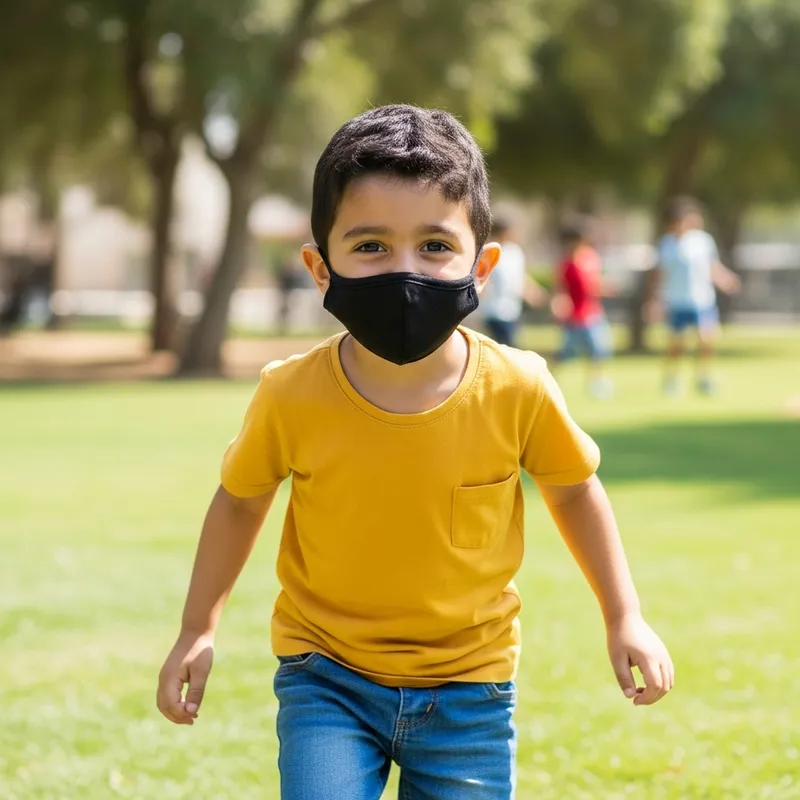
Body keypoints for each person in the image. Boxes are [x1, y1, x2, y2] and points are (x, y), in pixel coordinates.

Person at [156, 105, 673, 799]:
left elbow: (575, 491)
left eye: (434, 246)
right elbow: (242, 499)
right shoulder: (290, 394)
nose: (405, 272)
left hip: (471, 689)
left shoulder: (517, 387)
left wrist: (624, 615)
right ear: (319, 267)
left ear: (482, 265)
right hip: (326, 677)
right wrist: (197, 628)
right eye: (370, 247)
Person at [652, 196, 741, 395]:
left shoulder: (702, 241)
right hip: (677, 301)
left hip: (702, 300)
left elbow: (712, 267)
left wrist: (726, 280)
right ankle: (672, 379)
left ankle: (704, 377)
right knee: (676, 344)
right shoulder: (666, 244)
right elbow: (660, 274)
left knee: (706, 339)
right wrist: (655, 300)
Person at [552, 218, 614, 399]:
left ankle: (596, 382)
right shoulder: (565, 264)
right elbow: (560, 289)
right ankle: (550, 378)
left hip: (593, 313)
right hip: (575, 317)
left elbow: (595, 283)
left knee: (600, 349)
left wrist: (606, 287)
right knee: (566, 354)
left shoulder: (591, 257)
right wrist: (558, 305)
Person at [481, 219, 546, 347]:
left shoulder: (515, 252)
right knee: (503, 344)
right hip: (494, 310)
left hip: (513, 308)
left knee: (511, 345)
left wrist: (533, 292)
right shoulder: (491, 252)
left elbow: (520, 276)